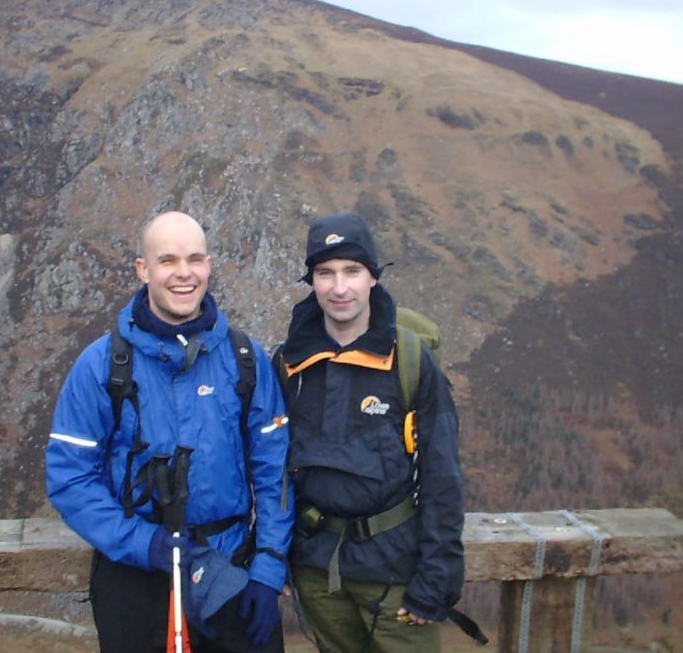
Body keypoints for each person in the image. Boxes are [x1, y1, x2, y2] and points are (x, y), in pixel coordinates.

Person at [46, 211, 293, 653]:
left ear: (209, 265)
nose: (184, 274)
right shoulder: (101, 366)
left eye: (195, 259)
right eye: (168, 261)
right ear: (143, 269)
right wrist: (143, 543)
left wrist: (269, 570)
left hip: (230, 571)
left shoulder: (244, 359)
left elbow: (276, 472)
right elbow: (70, 478)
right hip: (135, 577)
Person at [277, 213, 465, 653]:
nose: (339, 288)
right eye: (325, 273)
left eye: (352, 271)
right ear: (312, 281)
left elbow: (443, 477)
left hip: (395, 574)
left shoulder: (411, 361)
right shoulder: (289, 363)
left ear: (373, 278)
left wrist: (436, 578)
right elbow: (273, 472)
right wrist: (273, 555)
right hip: (316, 573)